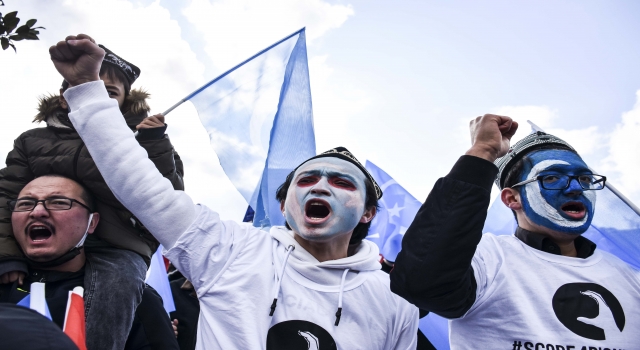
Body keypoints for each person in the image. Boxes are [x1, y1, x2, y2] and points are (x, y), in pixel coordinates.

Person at [49, 34, 419, 350]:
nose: (320, 185)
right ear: (283, 205)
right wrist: (86, 89)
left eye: (341, 182)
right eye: (306, 180)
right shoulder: (228, 249)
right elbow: (140, 183)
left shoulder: (397, 301)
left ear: (368, 213)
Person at [390, 114, 640, 349]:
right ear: (512, 199)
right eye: (552, 178)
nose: (576, 188)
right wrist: (484, 151)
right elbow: (422, 283)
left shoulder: (629, 277)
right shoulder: (487, 259)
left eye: (585, 179)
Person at [0, 41, 184, 350]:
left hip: (119, 245)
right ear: (65, 98)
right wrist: (7, 257)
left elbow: (165, 194)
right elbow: (6, 194)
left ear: (124, 103)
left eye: (109, 93)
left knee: (119, 290)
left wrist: (153, 142)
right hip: (38, 243)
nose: (96, 96)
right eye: (87, 87)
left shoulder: (138, 140)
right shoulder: (33, 141)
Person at [0, 175, 179, 350]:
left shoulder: (131, 297)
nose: (37, 212)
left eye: (59, 202)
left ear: (92, 222)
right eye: (25, 204)